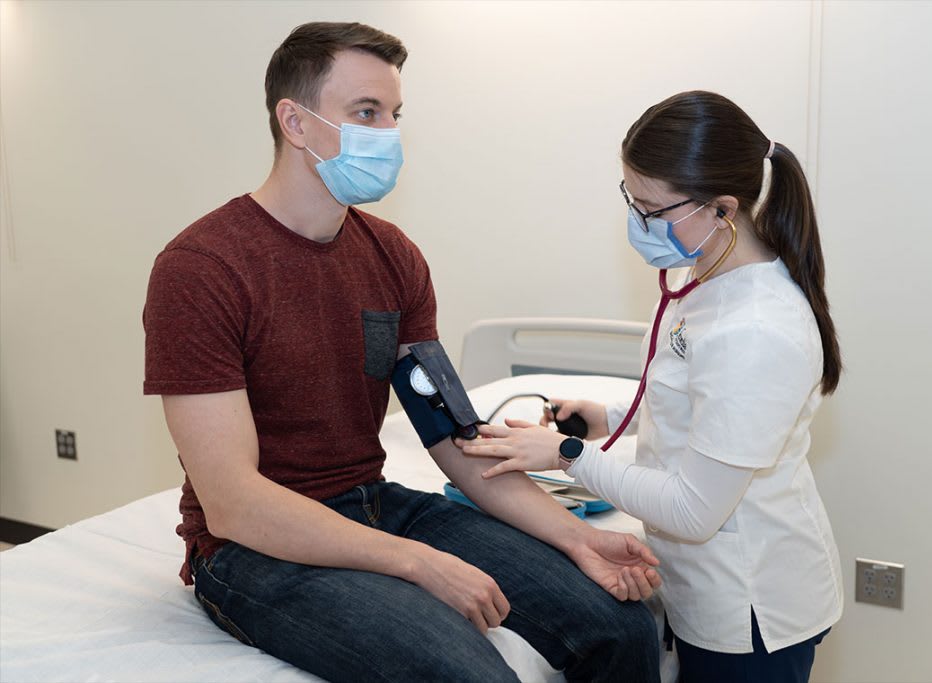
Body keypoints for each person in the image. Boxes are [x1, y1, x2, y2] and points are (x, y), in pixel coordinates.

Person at [143, 21, 663, 683]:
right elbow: (234, 502)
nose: (387, 132)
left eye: (394, 114)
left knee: (620, 629)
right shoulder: (203, 268)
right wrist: (416, 561)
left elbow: (455, 440)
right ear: (294, 122)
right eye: (366, 112)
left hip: (376, 502)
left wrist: (576, 536)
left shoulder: (392, 256)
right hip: (253, 548)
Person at [457, 90, 844, 683]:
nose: (637, 222)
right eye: (631, 200)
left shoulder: (760, 329)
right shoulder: (709, 271)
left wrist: (567, 455)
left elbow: (693, 511)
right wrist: (607, 415)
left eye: (652, 208)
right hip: (703, 585)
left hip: (751, 609)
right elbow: (688, 395)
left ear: (722, 208)